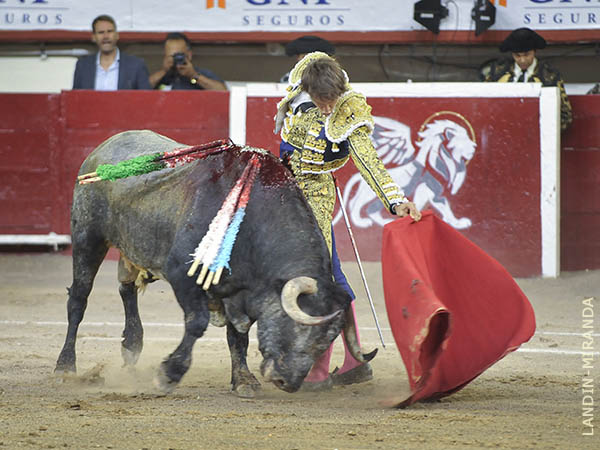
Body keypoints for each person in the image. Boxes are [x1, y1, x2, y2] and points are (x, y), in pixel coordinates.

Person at [274, 52, 421, 390]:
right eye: (321, 101)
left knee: (318, 276)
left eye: (332, 101)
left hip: (316, 196)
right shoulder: (299, 93)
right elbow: (288, 139)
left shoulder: (349, 112)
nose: (328, 109)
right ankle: (353, 360)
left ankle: (318, 370)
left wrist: (395, 201)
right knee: (322, 272)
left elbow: (369, 162)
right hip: (284, 189)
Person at [483, 27, 572, 131]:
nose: (522, 60)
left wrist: (544, 132)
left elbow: (565, 115)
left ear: (534, 52)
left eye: (526, 55)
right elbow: (485, 105)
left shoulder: (550, 75)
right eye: (517, 56)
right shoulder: (497, 73)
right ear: (512, 54)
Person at [72, 15, 151, 90]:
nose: (106, 36)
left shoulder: (136, 65)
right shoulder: (82, 66)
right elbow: (75, 99)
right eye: (101, 32)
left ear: (117, 35)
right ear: (93, 37)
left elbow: (146, 99)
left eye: (110, 31)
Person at [149, 32, 227, 91]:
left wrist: (194, 76)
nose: (175, 60)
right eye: (171, 56)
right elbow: (141, 88)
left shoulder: (201, 74)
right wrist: (164, 71)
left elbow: (223, 91)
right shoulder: (161, 77)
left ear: (189, 55)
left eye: (178, 56)